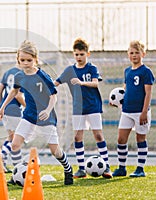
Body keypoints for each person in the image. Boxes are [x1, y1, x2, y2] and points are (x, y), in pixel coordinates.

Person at [0, 40, 74, 185]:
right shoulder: (19, 76)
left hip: (46, 119)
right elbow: (14, 91)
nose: (26, 63)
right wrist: (2, 108)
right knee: (15, 144)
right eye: (22, 60)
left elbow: (53, 96)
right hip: (28, 117)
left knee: (55, 151)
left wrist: (48, 110)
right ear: (18, 60)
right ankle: (18, 175)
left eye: (29, 60)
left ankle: (68, 169)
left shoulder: (42, 76)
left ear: (36, 60)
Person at [54, 38, 112, 179]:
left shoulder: (92, 68)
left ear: (88, 54)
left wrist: (81, 83)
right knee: (77, 137)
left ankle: (106, 166)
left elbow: (95, 84)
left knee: (98, 135)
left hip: (93, 106)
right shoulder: (70, 70)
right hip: (78, 109)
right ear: (73, 55)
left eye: (82, 54)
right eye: (76, 54)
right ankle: (81, 169)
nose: (79, 57)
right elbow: (55, 83)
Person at [112, 40, 154, 177]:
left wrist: (144, 112)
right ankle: (122, 167)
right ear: (128, 54)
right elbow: (125, 90)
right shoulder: (127, 71)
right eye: (131, 53)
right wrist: (117, 102)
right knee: (121, 139)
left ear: (143, 54)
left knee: (140, 139)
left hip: (140, 112)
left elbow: (148, 93)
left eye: (137, 53)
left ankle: (140, 168)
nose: (134, 55)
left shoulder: (146, 71)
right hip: (127, 111)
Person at [0, 65, 25, 173]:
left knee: (11, 137)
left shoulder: (8, 71)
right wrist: (28, 107)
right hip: (15, 109)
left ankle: (7, 162)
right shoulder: (23, 74)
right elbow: (18, 96)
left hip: (6, 108)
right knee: (16, 138)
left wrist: (1, 108)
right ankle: (0, 158)